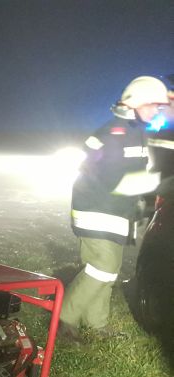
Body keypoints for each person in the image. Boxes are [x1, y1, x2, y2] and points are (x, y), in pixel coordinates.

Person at [59, 76, 170, 339]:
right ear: (136, 102)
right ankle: (64, 320)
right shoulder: (116, 134)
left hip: (113, 214)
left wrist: (139, 204)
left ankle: (97, 325)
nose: (156, 111)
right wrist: (162, 183)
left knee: (108, 271)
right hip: (96, 213)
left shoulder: (134, 131)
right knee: (102, 267)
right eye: (153, 105)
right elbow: (114, 180)